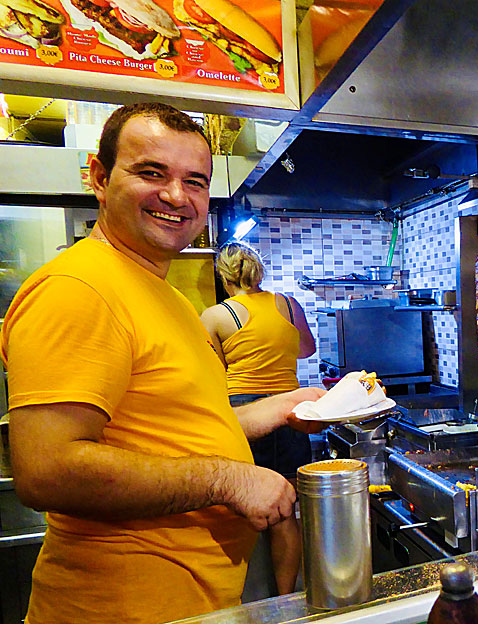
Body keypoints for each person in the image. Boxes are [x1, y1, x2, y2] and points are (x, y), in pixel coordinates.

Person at [0, 102, 325, 624]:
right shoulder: (79, 288)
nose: (177, 196)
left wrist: (279, 406)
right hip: (123, 606)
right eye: (152, 173)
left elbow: (169, 427)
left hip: (188, 600)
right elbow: (46, 470)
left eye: (194, 181)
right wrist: (233, 481)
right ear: (100, 178)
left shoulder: (163, 294)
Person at [200, 241, 316, 595]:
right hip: (289, 410)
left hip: (244, 415)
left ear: (225, 275)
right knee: (285, 512)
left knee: (238, 506)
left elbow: (210, 370)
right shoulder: (289, 305)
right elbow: (307, 348)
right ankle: (284, 600)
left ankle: (239, 597)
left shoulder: (217, 315)